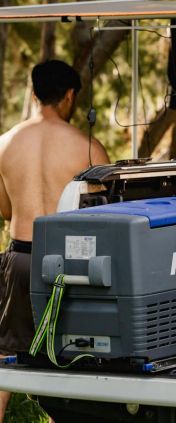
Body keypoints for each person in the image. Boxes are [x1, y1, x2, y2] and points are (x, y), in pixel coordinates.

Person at [0, 59, 109, 422]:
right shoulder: (88, 148)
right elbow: (104, 217)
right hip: (69, 265)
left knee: (4, 357)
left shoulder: (5, 143)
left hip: (20, 259)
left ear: (33, 94)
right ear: (69, 96)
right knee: (77, 352)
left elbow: (4, 209)